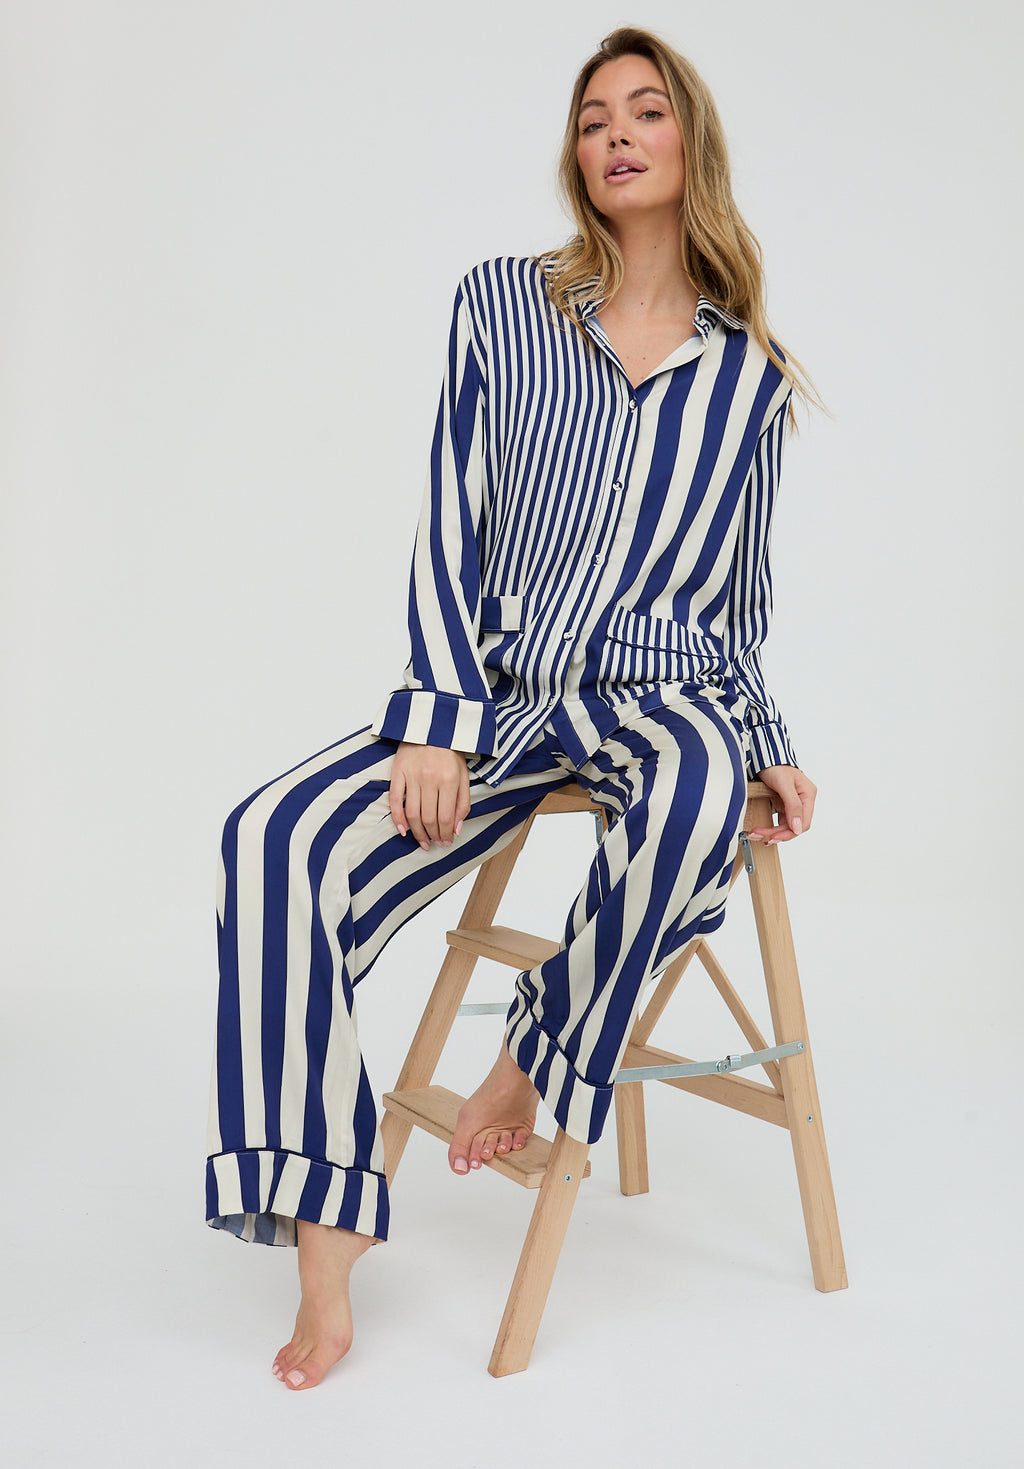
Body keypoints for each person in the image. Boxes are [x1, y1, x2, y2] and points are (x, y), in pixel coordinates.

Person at [204, 24, 823, 1392]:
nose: (616, 131)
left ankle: (536, 1052)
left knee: (696, 787)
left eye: (645, 110)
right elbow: (451, 521)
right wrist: (436, 712)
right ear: (577, 154)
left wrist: (766, 743)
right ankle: (323, 1228)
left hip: (665, 690)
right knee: (270, 839)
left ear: (687, 144)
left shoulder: (752, 380)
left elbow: (741, 598)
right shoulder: (501, 305)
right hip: (504, 687)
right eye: (595, 113)